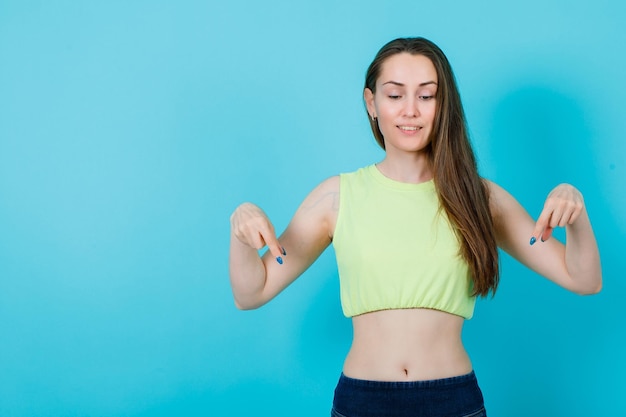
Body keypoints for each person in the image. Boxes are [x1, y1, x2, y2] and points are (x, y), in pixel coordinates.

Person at [228, 37, 602, 417]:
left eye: (426, 96)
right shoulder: (336, 197)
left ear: (444, 106)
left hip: (453, 402)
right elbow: (252, 292)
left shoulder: (478, 198)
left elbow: (583, 279)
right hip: (362, 402)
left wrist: (577, 214)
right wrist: (241, 232)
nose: (411, 111)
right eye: (395, 96)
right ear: (371, 103)